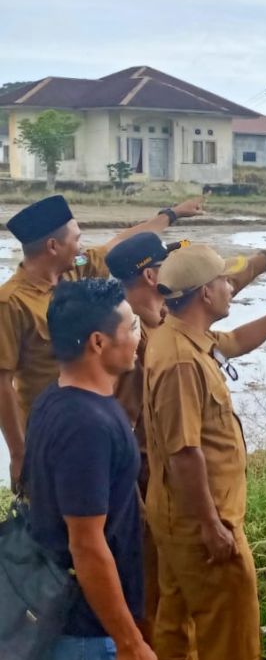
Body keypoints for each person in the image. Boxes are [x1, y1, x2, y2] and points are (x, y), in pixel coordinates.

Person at [104, 233, 266, 659]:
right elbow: (184, 452)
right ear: (203, 293)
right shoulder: (179, 358)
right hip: (202, 521)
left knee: (176, 632)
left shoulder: (177, 334)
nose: (231, 287)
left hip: (180, 517)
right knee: (231, 638)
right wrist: (211, 525)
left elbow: (234, 342)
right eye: (224, 281)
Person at [0, 194, 205, 485]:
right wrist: (19, 454)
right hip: (49, 432)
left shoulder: (75, 266)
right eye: (77, 239)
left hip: (92, 423)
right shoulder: (11, 302)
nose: (81, 246)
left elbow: (115, 245)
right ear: (53, 246)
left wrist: (171, 214)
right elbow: (2, 384)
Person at [23, 278, 155, 660]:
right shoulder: (87, 426)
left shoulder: (55, 397)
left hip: (75, 621)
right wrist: (129, 643)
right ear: (98, 342)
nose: (139, 334)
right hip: (84, 634)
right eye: (131, 326)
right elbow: (87, 545)